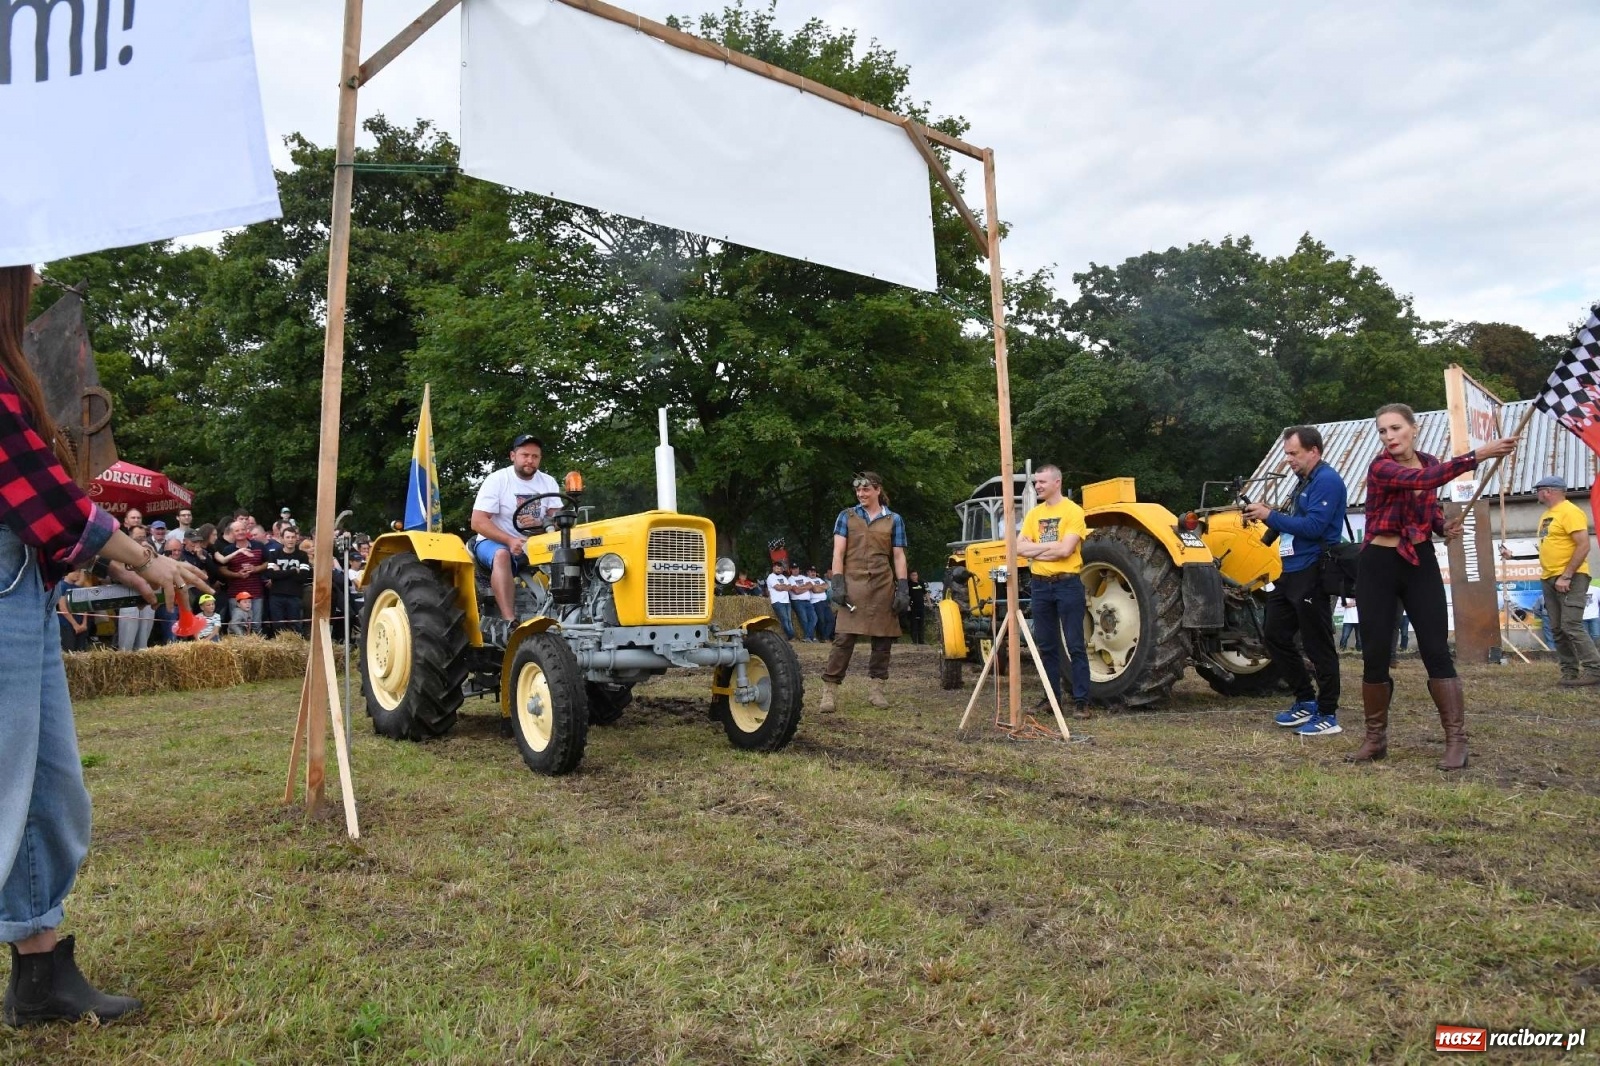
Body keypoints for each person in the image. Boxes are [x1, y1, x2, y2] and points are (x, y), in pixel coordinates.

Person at [2, 262, 209, 1024]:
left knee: (51, 791)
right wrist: (142, 556)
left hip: (22, 582)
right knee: (7, 787)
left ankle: (39, 973)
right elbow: (40, 495)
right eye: (23, 271)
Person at [1347, 402, 1517, 768]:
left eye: (1395, 428)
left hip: (1419, 562)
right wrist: (1478, 455)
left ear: (1413, 428)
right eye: (1383, 431)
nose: (1389, 436)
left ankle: (1456, 741)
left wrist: (1442, 527)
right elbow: (1421, 483)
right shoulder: (1381, 466)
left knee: (1436, 649)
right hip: (1378, 564)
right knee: (1375, 653)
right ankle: (1375, 738)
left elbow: (1429, 506)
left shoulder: (1429, 461)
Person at [1243, 426, 1348, 737]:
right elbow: (1294, 519)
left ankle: (1328, 712)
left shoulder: (1327, 480)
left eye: (1293, 453)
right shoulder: (1303, 481)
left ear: (1313, 451)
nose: (1288, 459)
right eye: (1286, 453)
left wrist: (1269, 516)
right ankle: (1305, 699)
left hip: (1313, 569)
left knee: (1318, 643)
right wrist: (1267, 515)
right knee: (1274, 635)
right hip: (1289, 571)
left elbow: (1315, 526)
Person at [820, 472, 909, 712]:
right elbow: (838, 553)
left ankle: (876, 690)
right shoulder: (846, 517)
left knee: (883, 640)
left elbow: (898, 555)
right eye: (858, 490)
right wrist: (837, 583)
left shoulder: (894, 519)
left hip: (883, 584)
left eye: (866, 490)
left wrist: (903, 587)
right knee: (843, 639)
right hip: (853, 584)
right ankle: (829, 691)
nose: (861, 494)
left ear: (878, 490)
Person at [1015, 465, 1092, 719]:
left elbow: (1066, 550)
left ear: (1057, 482)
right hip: (1039, 586)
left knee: (1074, 644)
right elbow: (1018, 548)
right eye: (1036, 482)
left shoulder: (1073, 511)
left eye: (1042, 482)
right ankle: (1051, 698)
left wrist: (1036, 548)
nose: (1037, 486)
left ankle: (1082, 701)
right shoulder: (1033, 514)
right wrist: (1050, 547)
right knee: (1046, 645)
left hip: (1067, 584)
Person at [469, 434, 559, 646]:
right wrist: (510, 541)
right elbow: (478, 522)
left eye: (535, 456)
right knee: (501, 555)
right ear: (513, 456)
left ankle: (565, 614)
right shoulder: (498, 480)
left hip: (534, 543)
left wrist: (541, 524)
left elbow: (556, 519)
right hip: (494, 542)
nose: (530, 460)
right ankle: (510, 623)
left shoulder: (548, 482)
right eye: (525, 455)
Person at [1532, 474, 1600, 686]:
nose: (1537, 494)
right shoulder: (1547, 515)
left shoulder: (1570, 512)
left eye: (1538, 490)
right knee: (1557, 629)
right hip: (1549, 577)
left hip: (1570, 577)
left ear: (1548, 491)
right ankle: (1569, 673)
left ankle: (1595, 670)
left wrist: (1567, 575)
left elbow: (1583, 545)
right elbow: (1550, 547)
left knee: (1571, 624)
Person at [217, 519, 266, 635]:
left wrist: (255, 568)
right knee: (237, 624)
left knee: (256, 624)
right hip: (236, 593)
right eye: (237, 530)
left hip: (256, 592)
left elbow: (268, 563)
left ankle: (258, 648)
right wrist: (237, 574)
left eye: (243, 529)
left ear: (247, 530)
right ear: (232, 533)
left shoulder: (258, 546)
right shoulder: (228, 550)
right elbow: (222, 569)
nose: (240, 532)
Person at [263, 525, 312, 639]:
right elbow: (270, 574)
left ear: (296, 539)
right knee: (277, 625)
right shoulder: (274, 554)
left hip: (294, 595)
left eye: (293, 537)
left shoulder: (302, 555)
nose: (290, 540)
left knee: (295, 625)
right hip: (276, 595)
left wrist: (280, 572)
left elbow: (304, 577)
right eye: (288, 537)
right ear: (282, 539)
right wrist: (294, 570)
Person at [55, 572, 90, 653]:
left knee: (81, 651)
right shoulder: (62, 586)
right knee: (69, 651)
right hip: (67, 624)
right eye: (74, 571)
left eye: (79, 571)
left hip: (80, 624)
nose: (77, 573)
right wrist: (75, 625)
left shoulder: (78, 588)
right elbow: (62, 607)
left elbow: (84, 606)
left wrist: (84, 624)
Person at [764, 561, 796, 640]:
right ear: (773, 568)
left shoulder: (783, 576)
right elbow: (778, 588)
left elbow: (790, 587)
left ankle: (791, 636)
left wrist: (782, 586)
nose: (778, 569)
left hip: (786, 601)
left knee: (789, 619)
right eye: (777, 568)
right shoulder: (771, 577)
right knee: (784, 619)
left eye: (780, 568)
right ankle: (791, 636)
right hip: (777, 601)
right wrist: (783, 586)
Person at [789, 563, 817, 642]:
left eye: (796, 568)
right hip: (798, 601)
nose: (795, 570)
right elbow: (796, 591)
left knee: (814, 618)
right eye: (793, 569)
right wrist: (806, 587)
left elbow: (811, 585)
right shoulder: (790, 579)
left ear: (798, 569)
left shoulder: (803, 577)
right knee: (804, 619)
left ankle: (808, 637)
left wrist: (801, 587)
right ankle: (811, 638)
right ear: (791, 570)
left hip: (807, 601)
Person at [809, 567, 835, 641]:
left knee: (831, 619)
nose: (813, 573)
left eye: (814, 571)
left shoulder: (819, 579)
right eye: (811, 571)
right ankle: (823, 637)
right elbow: (815, 590)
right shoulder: (807, 580)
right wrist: (821, 587)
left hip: (824, 602)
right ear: (808, 572)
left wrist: (818, 587)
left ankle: (825, 636)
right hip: (815, 602)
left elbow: (827, 586)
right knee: (821, 620)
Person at [906, 571, 928, 645]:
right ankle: (914, 641)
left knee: (921, 624)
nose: (914, 576)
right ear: (910, 576)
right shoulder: (909, 584)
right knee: (914, 624)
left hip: (921, 606)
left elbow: (925, 593)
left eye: (915, 575)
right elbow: (907, 596)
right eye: (913, 575)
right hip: (913, 606)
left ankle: (921, 640)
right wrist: (908, 605)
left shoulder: (921, 583)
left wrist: (929, 602)